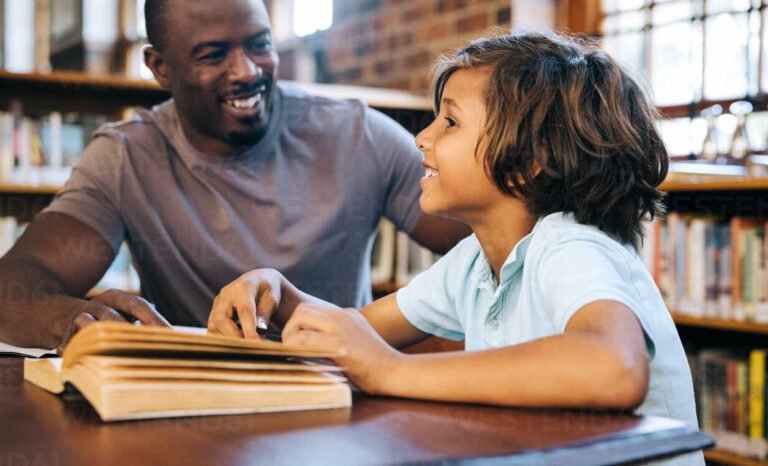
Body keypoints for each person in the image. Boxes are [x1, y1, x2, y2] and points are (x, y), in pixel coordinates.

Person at [208, 32, 703, 465]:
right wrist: (278, 293)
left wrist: (390, 370)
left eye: (450, 123)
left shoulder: (571, 246)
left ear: (531, 159)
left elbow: (613, 368)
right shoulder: (472, 261)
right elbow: (356, 334)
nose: (422, 138)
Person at [0, 0, 467, 352]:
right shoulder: (127, 156)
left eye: (260, 45)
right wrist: (72, 319)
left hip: (342, 397)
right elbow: (16, 285)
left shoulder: (357, 134)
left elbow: (495, 236)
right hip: (192, 410)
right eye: (212, 55)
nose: (247, 72)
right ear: (159, 67)